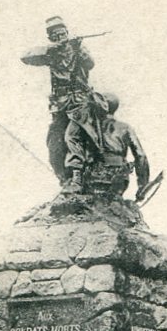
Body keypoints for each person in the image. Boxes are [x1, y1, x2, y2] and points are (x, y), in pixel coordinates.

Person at [21, 16, 106, 191]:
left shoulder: (77, 49)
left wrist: (78, 47)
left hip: (79, 102)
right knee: (54, 142)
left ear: (67, 33)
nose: (60, 37)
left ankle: (77, 179)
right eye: (56, 35)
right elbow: (25, 56)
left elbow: (90, 64)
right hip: (60, 105)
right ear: (51, 38)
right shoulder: (51, 53)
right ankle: (64, 179)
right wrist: (51, 49)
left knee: (72, 137)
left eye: (63, 34)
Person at [84, 93, 150, 200]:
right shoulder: (125, 128)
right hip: (119, 177)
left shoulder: (89, 127)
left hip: (94, 176)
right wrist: (142, 186)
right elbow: (140, 156)